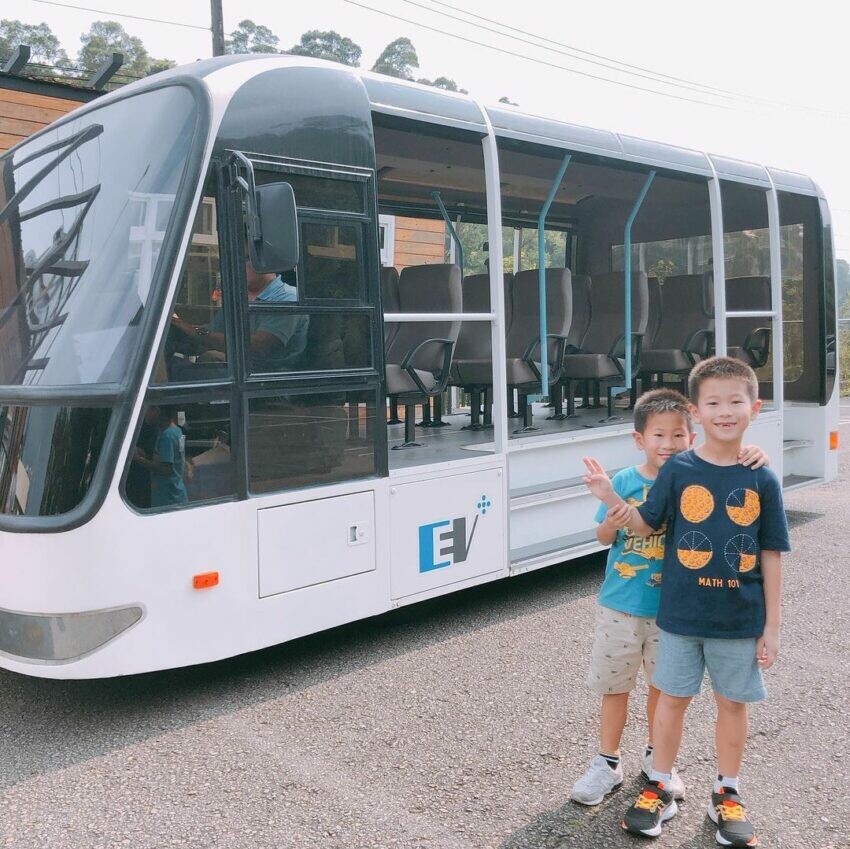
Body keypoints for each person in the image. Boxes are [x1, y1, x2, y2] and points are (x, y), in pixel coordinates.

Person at [583, 357, 789, 846]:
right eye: (713, 402)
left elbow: (771, 553)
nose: (725, 411)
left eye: (735, 401)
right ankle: (659, 785)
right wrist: (612, 499)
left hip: (740, 618)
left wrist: (772, 626)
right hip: (677, 617)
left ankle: (727, 792)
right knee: (671, 701)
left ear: (755, 408)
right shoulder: (678, 469)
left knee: (732, 704)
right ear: (696, 412)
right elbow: (644, 524)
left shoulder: (762, 478)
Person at [170, 261, 308, 373]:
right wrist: (178, 330)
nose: (236, 265)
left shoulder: (288, 298)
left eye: (245, 259)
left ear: (265, 263)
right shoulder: (239, 299)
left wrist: (196, 332)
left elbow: (259, 346)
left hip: (270, 380)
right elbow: (209, 337)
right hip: (241, 370)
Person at [134, 405, 188, 509]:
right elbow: (169, 459)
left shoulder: (167, 436)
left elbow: (165, 469)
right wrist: (145, 456)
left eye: (147, 409)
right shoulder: (177, 431)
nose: (145, 413)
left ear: (156, 411)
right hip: (175, 495)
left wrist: (139, 460)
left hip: (168, 499)